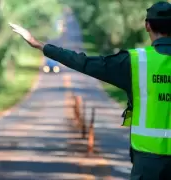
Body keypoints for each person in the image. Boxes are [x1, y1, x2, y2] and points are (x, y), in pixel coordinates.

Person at [9, 1, 171, 180]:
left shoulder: (135, 62)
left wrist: (40, 45)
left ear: (147, 25)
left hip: (147, 164)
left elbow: (84, 63)